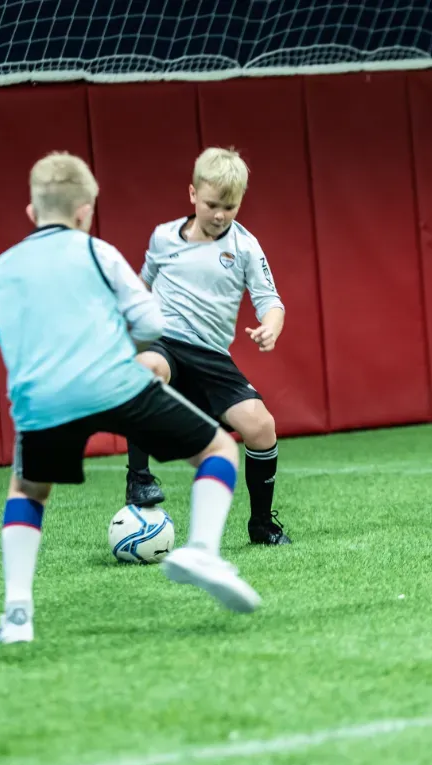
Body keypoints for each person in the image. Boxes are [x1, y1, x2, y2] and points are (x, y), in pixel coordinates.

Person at [0, 152, 260, 645]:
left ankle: (17, 615)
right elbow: (151, 323)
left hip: (43, 401)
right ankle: (202, 549)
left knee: (28, 492)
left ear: (32, 214)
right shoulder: (99, 254)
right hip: (114, 383)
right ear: (85, 213)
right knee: (219, 450)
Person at [124, 147, 291, 545]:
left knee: (262, 427)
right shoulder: (164, 237)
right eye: (212, 204)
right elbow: (141, 287)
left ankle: (262, 524)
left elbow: (271, 301)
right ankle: (139, 479)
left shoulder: (246, 247)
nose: (220, 215)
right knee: (147, 370)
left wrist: (271, 327)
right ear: (193, 194)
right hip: (165, 342)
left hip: (212, 357)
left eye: (229, 207)